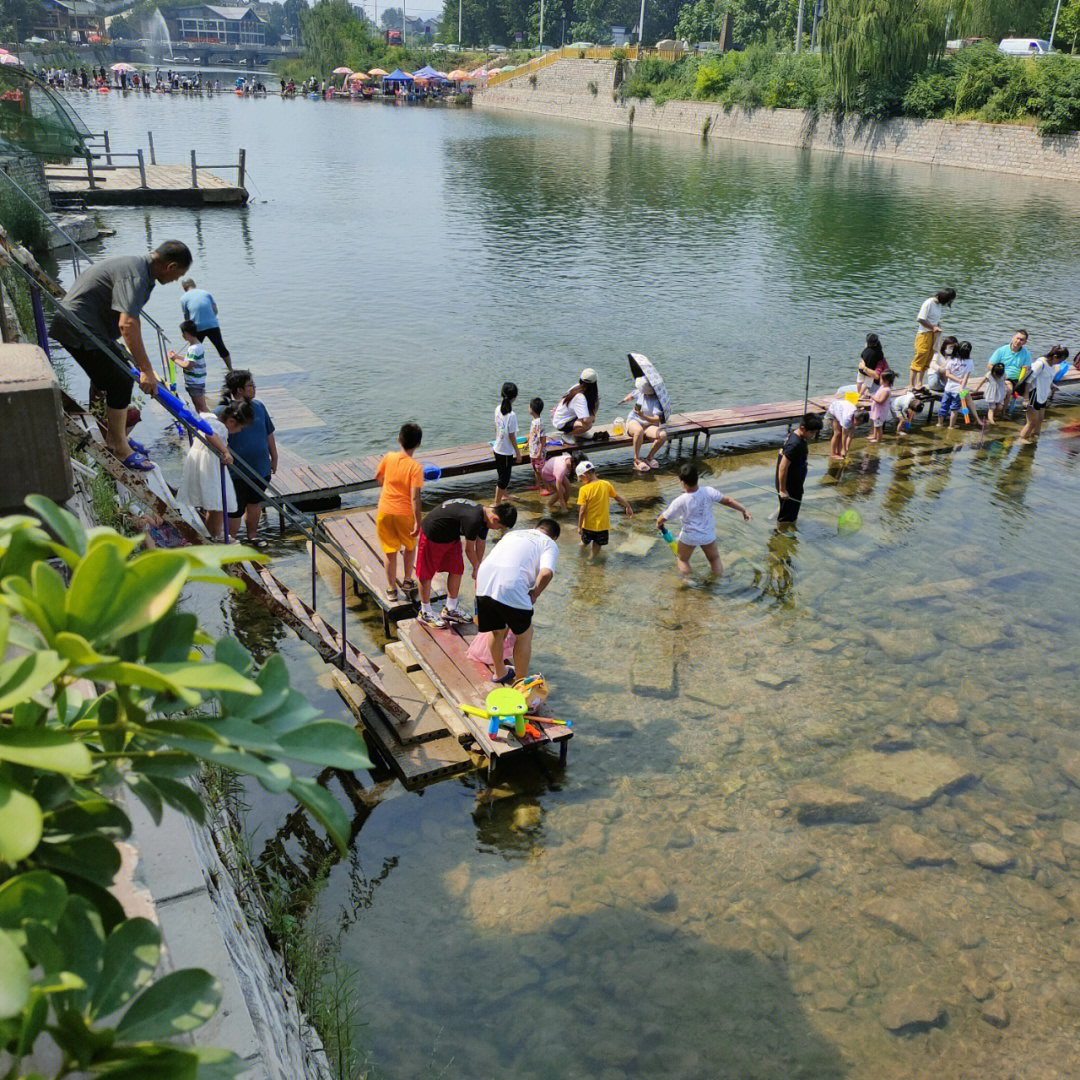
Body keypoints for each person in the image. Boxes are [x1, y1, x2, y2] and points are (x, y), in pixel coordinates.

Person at [49, 241, 192, 469]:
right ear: (170, 265)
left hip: (82, 325)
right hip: (78, 327)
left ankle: (112, 432)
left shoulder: (135, 266)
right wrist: (146, 370)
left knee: (112, 369)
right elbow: (127, 324)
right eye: (178, 275)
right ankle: (118, 446)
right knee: (121, 379)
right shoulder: (137, 276)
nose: (176, 280)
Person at [475, 518, 561, 685]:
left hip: (484, 579)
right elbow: (546, 573)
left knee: (497, 631)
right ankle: (520, 682)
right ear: (554, 537)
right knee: (525, 635)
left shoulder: (513, 534)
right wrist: (535, 593)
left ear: (535, 527)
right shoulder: (549, 543)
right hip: (511, 585)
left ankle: (499, 672)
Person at [416, 499, 517, 626]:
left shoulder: (485, 517)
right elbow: (469, 549)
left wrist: (479, 567)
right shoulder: (473, 519)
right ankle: (425, 612)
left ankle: (451, 608)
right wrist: (476, 567)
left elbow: (481, 542)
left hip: (451, 535)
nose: (497, 529)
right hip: (433, 533)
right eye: (500, 527)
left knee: (457, 569)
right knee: (426, 573)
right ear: (495, 519)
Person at [657, 462, 751, 576]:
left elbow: (665, 516)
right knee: (714, 559)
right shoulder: (709, 491)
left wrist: (659, 523)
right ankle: (718, 579)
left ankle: (687, 580)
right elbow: (728, 501)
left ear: (682, 482)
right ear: (697, 478)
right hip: (707, 535)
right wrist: (743, 510)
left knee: (682, 560)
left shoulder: (680, 501)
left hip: (689, 536)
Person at [178, 400, 253, 539]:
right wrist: (226, 452)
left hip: (200, 461)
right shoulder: (220, 427)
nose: (239, 431)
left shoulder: (210, 418)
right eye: (240, 428)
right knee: (219, 502)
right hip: (210, 466)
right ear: (231, 421)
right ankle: (216, 534)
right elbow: (210, 434)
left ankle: (211, 533)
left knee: (212, 501)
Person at [218, 370, 277, 547]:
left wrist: (274, 457)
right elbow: (216, 437)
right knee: (235, 508)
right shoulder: (223, 411)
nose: (254, 388)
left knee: (255, 504)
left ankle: (253, 537)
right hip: (236, 470)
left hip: (260, 467)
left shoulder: (259, 406)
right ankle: (230, 540)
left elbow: (269, 433)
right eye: (250, 385)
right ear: (239, 390)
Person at [375, 422, 424, 601]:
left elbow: (378, 477)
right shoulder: (415, 467)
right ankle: (407, 580)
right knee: (410, 546)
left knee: (390, 551)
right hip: (405, 514)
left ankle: (391, 590)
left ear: (399, 440)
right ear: (418, 444)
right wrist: (418, 521)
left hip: (385, 511)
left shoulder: (388, 457)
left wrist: (388, 489)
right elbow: (415, 498)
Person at [575, 460, 633, 561]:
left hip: (587, 525)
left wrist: (579, 527)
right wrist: (628, 506)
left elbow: (582, 510)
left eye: (580, 479)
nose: (581, 481)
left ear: (584, 475)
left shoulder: (584, 490)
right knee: (597, 545)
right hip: (602, 526)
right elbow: (617, 497)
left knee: (584, 542)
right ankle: (590, 560)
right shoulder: (606, 484)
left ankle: (579, 557)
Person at [775, 413, 823, 524]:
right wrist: (782, 490)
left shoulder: (796, 435)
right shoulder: (795, 444)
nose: (813, 435)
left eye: (815, 432)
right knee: (787, 517)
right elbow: (783, 467)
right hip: (789, 485)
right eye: (811, 432)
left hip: (795, 483)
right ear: (802, 428)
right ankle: (781, 535)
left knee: (790, 510)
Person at [180, 279, 232, 369]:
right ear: (194, 284)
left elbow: (187, 317)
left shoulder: (183, 298)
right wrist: (210, 319)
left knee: (193, 348)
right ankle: (230, 369)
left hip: (197, 327)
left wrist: (188, 331)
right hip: (212, 324)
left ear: (184, 287)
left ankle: (191, 368)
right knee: (220, 347)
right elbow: (215, 310)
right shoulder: (206, 293)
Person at [1020, 345, 1067, 441]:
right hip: (1034, 394)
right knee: (1031, 423)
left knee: (1040, 420)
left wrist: (1052, 385)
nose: (1060, 363)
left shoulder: (1052, 365)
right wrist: (1025, 399)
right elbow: (1028, 381)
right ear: (1055, 356)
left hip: (1043, 395)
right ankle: (1022, 440)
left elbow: (1048, 378)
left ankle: (1034, 438)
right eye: (1060, 360)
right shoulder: (1040, 364)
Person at [621, 375, 667, 471]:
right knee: (638, 430)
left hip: (649, 425)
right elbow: (632, 394)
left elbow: (656, 419)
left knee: (663, 435)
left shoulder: (656, 401)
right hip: (634, 421)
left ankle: (649, 457)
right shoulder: (640, 392)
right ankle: (636, 458)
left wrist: (643, 416)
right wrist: (627, 399)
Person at [912, 288, 955, 389]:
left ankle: (919, 383)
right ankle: (911, 384)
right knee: (919, 359)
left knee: (927, 359)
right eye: (949, 300)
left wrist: (937, 326)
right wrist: (933, 327)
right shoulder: (929, 303)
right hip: (924, 334)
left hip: (933, 334)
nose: (949, 303)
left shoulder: (938, 305)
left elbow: (934, 320)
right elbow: (920, 319)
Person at [168, 319, 207, 413]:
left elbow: (188, 365)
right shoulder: (196, 346)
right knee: (198, 406)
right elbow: (188, 360)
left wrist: (174, 359)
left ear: (186, 333)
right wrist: (177, 357)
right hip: (194, 382)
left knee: (201, 406)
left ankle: (210, 424)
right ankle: (201, 422)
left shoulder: (194, 348)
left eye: (183, 333)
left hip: (195, 382)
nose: (182, 335)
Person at [492, 381, 521, 505]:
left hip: (497, 448)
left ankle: (504, 495)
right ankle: (496, 503)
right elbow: (512, 436)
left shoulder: (498, 408)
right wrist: (518, 453)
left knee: (501, 474)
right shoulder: (512, 415)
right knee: (504, 479)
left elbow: (496, 427)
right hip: (505, 451)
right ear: (514, 397)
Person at [551, 368, 600, 438]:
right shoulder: (580, 397)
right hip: (561, 422)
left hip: (558, 417)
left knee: (587, 420)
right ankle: (568, 435)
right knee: (588, 425)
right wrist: (593, 416)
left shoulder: (576, 387)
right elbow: (586, 420)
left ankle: (578, 432)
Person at [987, 330, 1031, 400]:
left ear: (1025, 342)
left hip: (1017, 381)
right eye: (1017, 338)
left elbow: (1026, 370)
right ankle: (1002, 409)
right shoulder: (1001, 350)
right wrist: (999, 376)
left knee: (1035, 388)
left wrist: (1020, 383)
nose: (1018, 341)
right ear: (1013, 338)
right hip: (1001, 378)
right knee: (1008, 389)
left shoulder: (1026, 354)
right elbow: (990, 365)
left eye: (1022, 340)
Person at [939, 339, 974, 428]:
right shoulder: (969, 362)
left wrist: (956, 380)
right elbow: (966, 378)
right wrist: (961, 385)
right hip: (959, 390)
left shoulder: (951, 360)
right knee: (954, 409)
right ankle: (951, 426)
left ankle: (939, 424)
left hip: (948, 388)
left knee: (944, 407)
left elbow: (947, 374)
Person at [972, 361, 1008, 426]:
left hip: (1000, 393)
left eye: (1000, 375)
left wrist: (1007, 387)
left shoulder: (1004, 374)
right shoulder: (989, 374)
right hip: (992, 393)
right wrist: (976, 390)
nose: (998, 377)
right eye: (997, 375)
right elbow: (982, 382)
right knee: (992, 408)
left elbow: (1005, 381)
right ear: (993, 372)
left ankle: (993, 416)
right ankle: (991, 420)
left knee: (1000, 407)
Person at [868, 370, 896, 443]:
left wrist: (872, 396)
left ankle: (878, 439)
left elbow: (881, 401)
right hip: (876, 409)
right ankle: (874, 436)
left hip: (880, 411)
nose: (879, 380)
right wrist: (872, 399)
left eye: (881, 379)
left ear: (886, 381)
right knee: (875, 424)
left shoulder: (886, 390)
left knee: (878, 426)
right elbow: (878, 396)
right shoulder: (882, 387)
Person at [527, 397, 547, 488]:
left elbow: (543, 438)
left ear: (532, 409)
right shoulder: (534, 421)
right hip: (533, 450)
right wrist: (527, 444)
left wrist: (540, 451)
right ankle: (538, 484)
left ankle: (548, 487)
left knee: (540, 469)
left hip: (538, 451)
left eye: (529, 406)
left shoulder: (539, 423)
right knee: (535, 468)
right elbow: (533, 435)